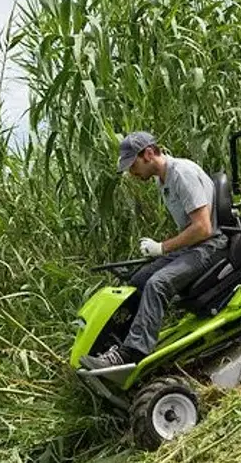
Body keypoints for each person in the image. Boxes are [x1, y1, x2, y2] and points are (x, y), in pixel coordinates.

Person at [80, 131, 228, 370]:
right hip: (195, 246)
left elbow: (203, 228)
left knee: (157, 284)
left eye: (132, 165)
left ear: (148, 154)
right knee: (138, 280)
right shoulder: (163, 180)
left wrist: (162, 247)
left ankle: (132, 354)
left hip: (211, 246)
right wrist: (163, 249)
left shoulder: (182, 173)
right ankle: (116, 346)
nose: (131, 172)